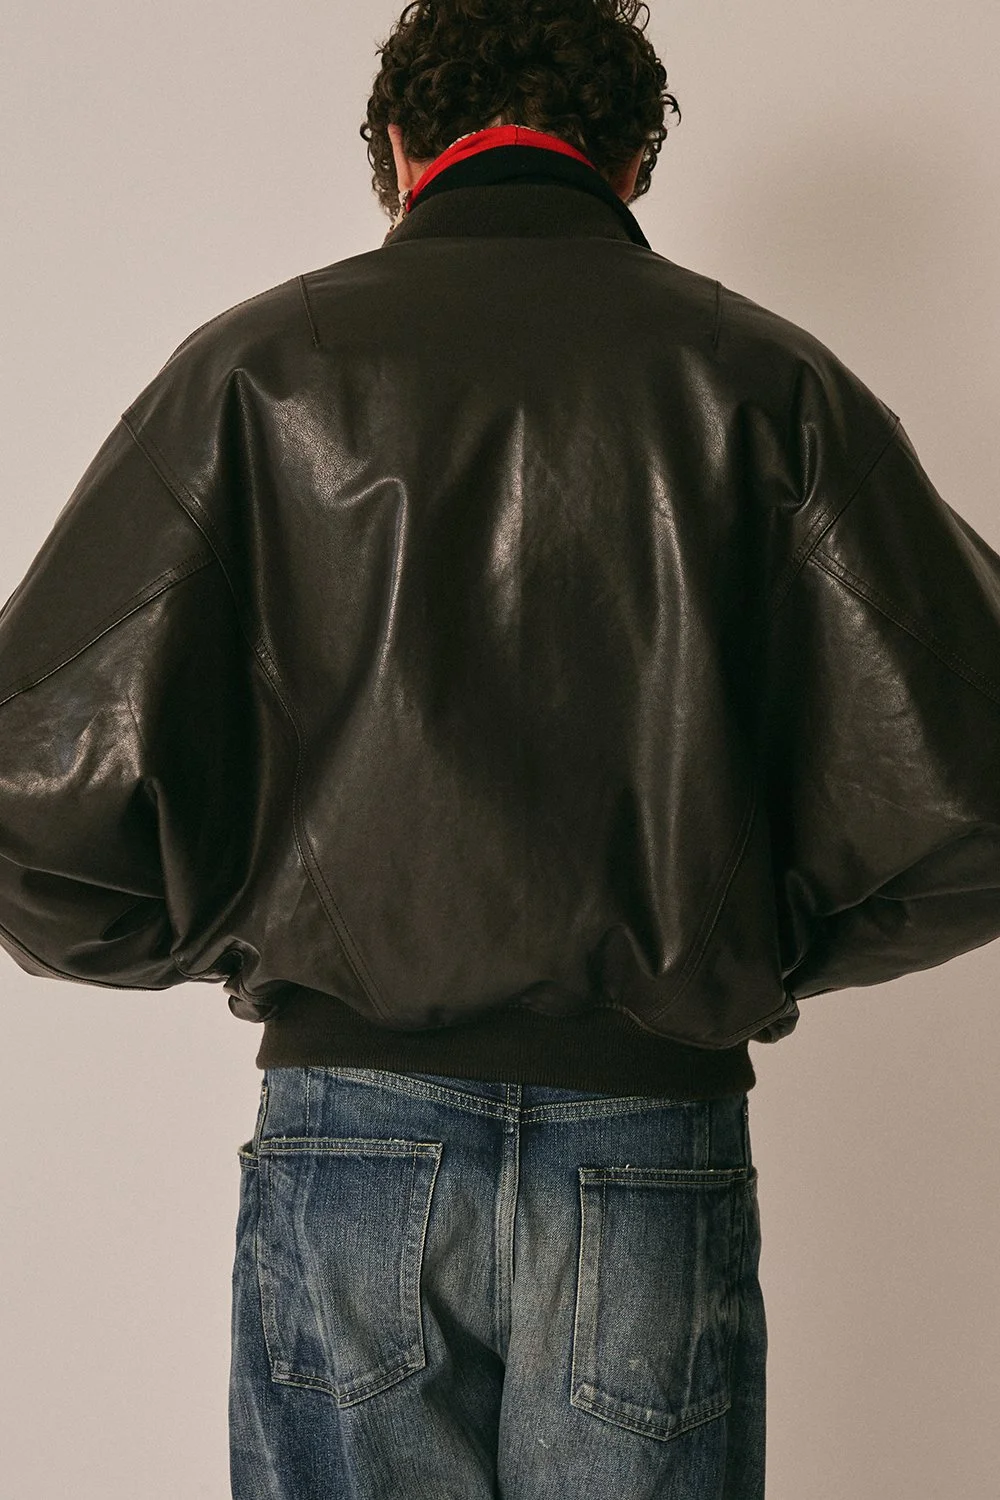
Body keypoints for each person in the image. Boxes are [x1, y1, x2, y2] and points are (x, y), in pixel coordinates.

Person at [1, 0, 999, 1495]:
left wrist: (246, 933)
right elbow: (974, 778)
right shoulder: (764, 380)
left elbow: (28, 784)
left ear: (404, 151)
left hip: (351, 1143)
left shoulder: (257, 371)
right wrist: (747, 945)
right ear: (633, 160)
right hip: (650, 1132)